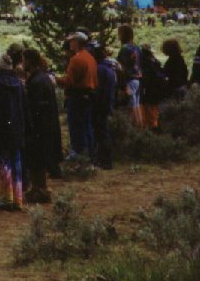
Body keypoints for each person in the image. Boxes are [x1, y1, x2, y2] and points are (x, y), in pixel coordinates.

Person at [0, 53, 27, 211]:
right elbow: (23, 108)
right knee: (16, 162)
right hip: (16, 129)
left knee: (2, 164)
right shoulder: (18, 83)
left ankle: (6, 197)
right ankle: (18, 199)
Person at [23, 48, 62, 198]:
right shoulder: (42, 77)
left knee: (37, 158)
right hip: (46, 125)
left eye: (24, 59)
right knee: (37, 158)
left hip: (39, 126)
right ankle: (37, 188)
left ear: (30, 61)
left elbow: (37, 106)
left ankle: (40, 189)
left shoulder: (37, 81)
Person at [55, 32, 97, 160]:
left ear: (77, 43)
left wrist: (55, 79)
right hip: (88, 96)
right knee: (87, 126)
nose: (70, 43)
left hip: (76, 98)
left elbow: (69, 81)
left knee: (76, 128)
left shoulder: (76, 59)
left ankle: (78, 156)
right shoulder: (90, 57)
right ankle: (90, 155)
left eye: (72, 41)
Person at [89, 42, 117, 171]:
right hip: (107, 103)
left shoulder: (100, 69)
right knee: (103, 132)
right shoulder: (109, 67)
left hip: (100, 105)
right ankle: (106, 160)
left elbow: (98, 89)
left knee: (101, 133)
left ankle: (105, 161)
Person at [116, 24, 143, 126]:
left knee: (130, 109)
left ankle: (133, 131)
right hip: (137, 79)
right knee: (137, 107)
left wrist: (122, 84)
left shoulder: (124, 49)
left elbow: (121, 67)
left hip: (129, 80)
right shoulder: (136, 47)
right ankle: (140, 129)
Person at [138, 44, 167, 130]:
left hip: (148, 90)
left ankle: (151, 128)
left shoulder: (144, 62)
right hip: (157, 90)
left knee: (149, 110)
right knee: (154, 110)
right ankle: (154, 126)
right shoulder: (155, 61)